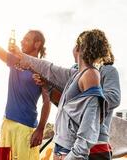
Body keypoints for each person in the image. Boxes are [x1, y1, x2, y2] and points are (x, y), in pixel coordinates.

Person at [12, 29, 111, 159]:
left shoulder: (90, 75)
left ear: (79, 47)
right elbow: (49, 69)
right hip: (64, 148)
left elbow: (89, 124)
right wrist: (25, 60)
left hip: (74, 153)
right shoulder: (75, 75)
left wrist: (74, 156)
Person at [0, 6, 51, 160]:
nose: (22, 40)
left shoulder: (43, 68)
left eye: (27, 39)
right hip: (7, 123)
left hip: (26, 128)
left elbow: (47, 102)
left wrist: (41, 129)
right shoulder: (15, 61)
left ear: (37, 44)